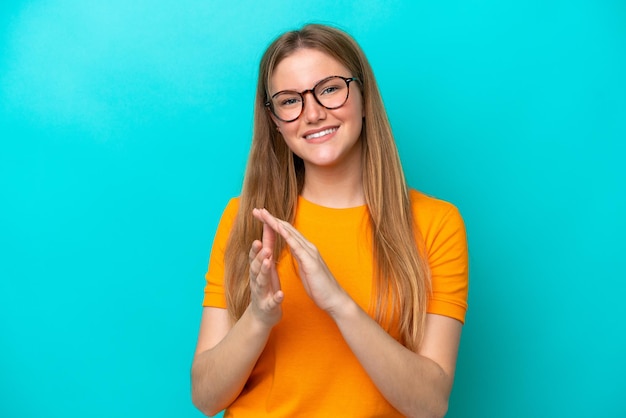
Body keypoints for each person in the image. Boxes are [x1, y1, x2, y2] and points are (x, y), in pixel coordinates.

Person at [191, 23, 468, 418]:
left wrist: (339, 304)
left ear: (364, 95)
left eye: (330, 88)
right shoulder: (245, 219)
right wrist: (258, 317)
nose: (314, 113)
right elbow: (205, 397)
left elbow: (430, 404)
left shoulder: (436, 223)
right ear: (274, 119)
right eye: (289, 101)